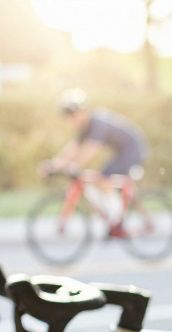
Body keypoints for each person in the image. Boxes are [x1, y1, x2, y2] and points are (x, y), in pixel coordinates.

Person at [46, 90, 150, 237]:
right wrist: (53, 165)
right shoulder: (85, 127)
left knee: (104, 178)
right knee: (101, 179)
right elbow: (72, 148)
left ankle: (117, 220)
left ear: (82, 112)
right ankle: (119, 216)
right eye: (69, 117)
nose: (71, 120)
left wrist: (74, 166)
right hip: (121, 152)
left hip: (132, 149)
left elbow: (91, 148)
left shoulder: (97, 122)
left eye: (73, 115)